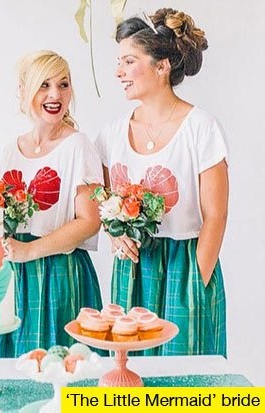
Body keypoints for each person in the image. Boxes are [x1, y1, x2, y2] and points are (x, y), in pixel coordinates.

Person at [95, 8, 228, 356]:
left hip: (185, 265)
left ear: (162, 66)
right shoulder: (111, 134)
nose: (119, 72)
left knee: (185, 376)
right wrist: (115, 235)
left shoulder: (201, 127)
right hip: (132, 271)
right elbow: (102, 200)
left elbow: (216, 216)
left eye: (129, 61)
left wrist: (196, 280)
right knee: (129, 374)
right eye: (119, 63)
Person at [0, 50, 104, 358]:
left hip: (61, 273)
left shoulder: (78, 145)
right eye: (45, 84)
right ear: (23, 90)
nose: (55, 95)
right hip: (14, 277)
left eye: (63, 84)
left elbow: (90, 221)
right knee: (14, 370)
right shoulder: (9, 150)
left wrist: (30, 251)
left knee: (62, 367)